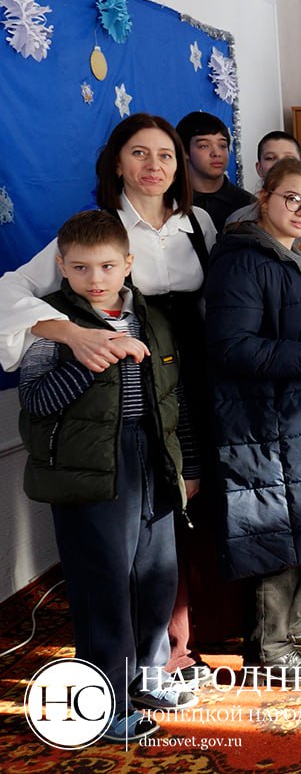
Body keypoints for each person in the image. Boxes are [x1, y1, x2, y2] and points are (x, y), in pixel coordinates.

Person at [0, 113, 219, 690]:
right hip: (108, 388)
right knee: (111, 558)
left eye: (165, 154)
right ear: (117, 162)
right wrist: (74, 336)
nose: (154, 165)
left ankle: (170, 653)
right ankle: (136, 674)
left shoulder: (197, 223)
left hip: (179, 380)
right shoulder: (97, 232)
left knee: (169, 536)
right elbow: (12, 289)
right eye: (139, 153)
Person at [18, 210, 194, 742]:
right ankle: (104, 702)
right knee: (104, 587)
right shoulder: (51, 323)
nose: (95, 278)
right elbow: (36, 402)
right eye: (80, 267)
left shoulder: (150, 317)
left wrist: (186, 465)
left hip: (152, 458)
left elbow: (174, 399)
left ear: (128, 264)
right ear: (61, 267)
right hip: (89, 469)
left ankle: (148, 676)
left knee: (157, 574)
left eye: (107, 266)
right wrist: (87, 355)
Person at [204, 157, 301, 686]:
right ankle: (269, 651)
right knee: (274, 526)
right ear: (265, 196)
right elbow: (231, 346)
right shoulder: (243, 259)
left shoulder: (298, 259)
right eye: (292, 198)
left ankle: (293, 623)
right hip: (264, 419)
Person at [176, 111, 255, 232]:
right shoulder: (168, 201)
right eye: (204, 146)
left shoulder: (248, 205)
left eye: (222, 145)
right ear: (184, 151)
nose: (217, 153)